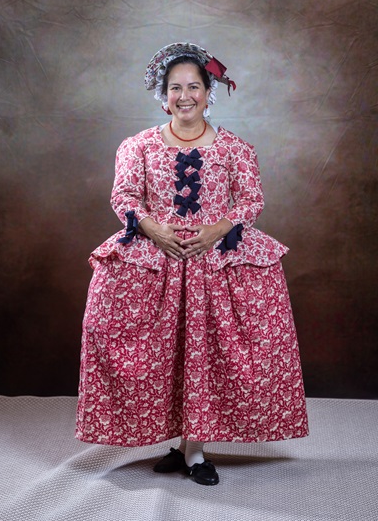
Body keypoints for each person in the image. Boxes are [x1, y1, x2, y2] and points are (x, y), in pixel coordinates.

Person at [76, 42, 309, 486]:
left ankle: (195, 451)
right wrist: (153, 229)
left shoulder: (236, 149)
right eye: (176, 87)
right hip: (156, 261)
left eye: (195, 87)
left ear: (209, 92)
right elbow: (123, 195)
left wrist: (218, 229)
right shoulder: (137, 146)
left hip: (215, 265)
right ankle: (186, 447)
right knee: (160, 351)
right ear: (163, 95)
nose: (186, 96)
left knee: (208, 353)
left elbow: (250, 200)